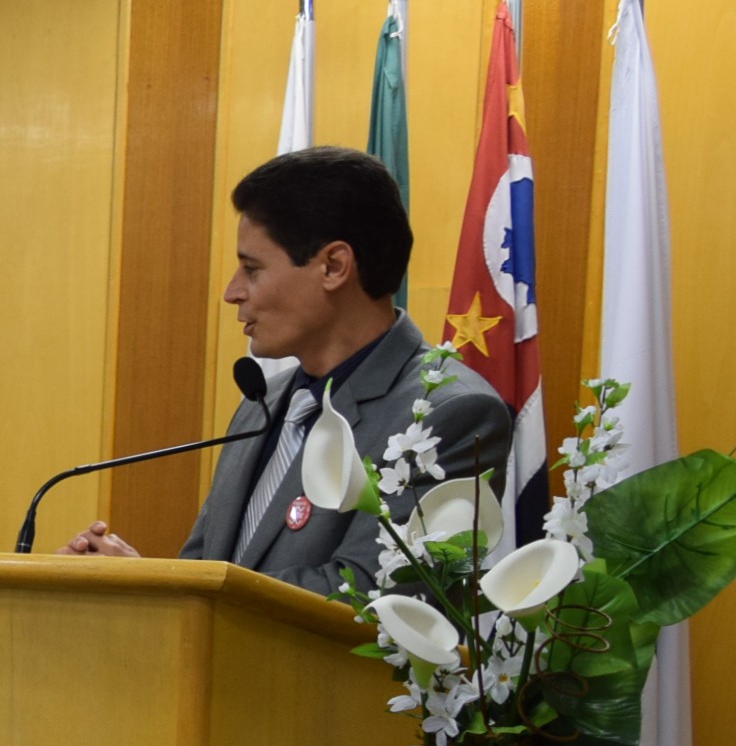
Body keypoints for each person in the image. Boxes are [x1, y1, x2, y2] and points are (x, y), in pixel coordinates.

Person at [61, 147, 508, 593]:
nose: (233, 292)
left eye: (252, 269)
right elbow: (205, 568)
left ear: (333, 266)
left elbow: (375, 593)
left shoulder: (448, 413)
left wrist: (164, 587)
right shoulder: (266, 403)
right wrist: (140, 583)